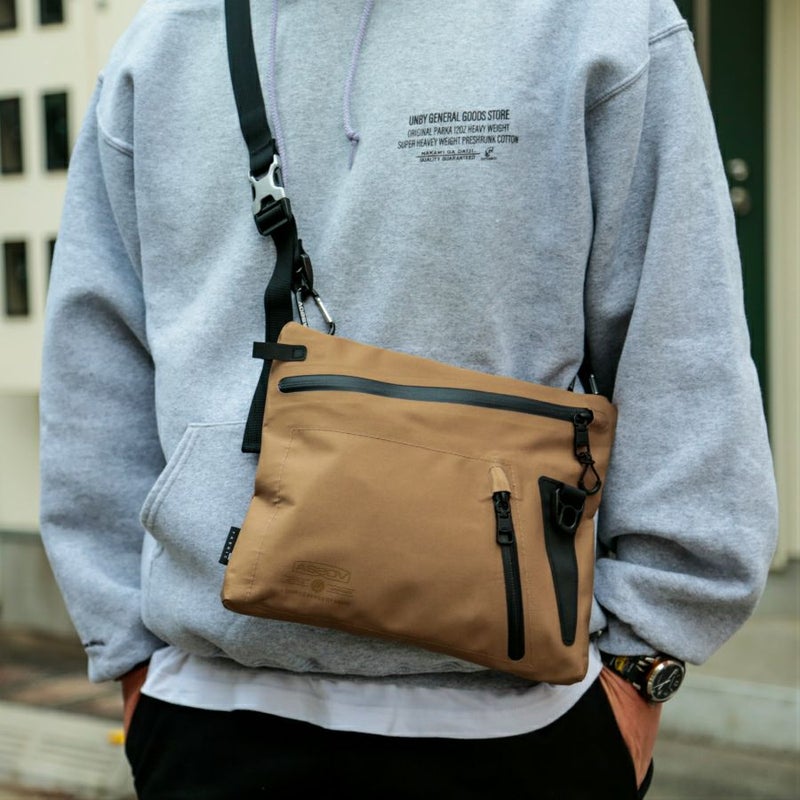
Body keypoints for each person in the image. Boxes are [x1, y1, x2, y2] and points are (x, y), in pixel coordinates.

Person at [39, 1, 778, 797]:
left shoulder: (599, 22)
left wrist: (644, 667)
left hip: (528, 722)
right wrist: (131, 661)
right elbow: (96, 368)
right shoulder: (161, 46)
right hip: (208, 712)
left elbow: (682, 342)